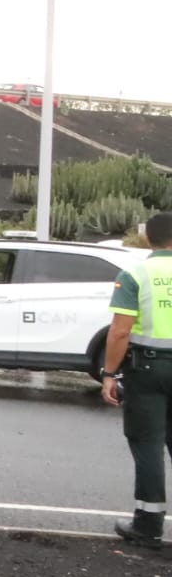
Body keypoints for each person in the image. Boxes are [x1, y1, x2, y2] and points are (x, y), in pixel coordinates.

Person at [103, 212, 172, 546]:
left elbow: (120, 332)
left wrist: (109, 374)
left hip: (148, 370)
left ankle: (148, 524)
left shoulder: (136, 273)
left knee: (148, 445)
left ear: (148, 239)